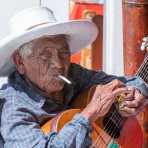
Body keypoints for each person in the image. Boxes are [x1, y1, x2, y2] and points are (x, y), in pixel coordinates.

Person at [0, 7, 147, 148]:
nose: (58, 64)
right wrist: (90, 113)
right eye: (45, 56)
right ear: (20, 62)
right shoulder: (13, 108)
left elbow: (128, 83)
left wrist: (129, 97)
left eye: (64, 53)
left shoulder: (73, 74)